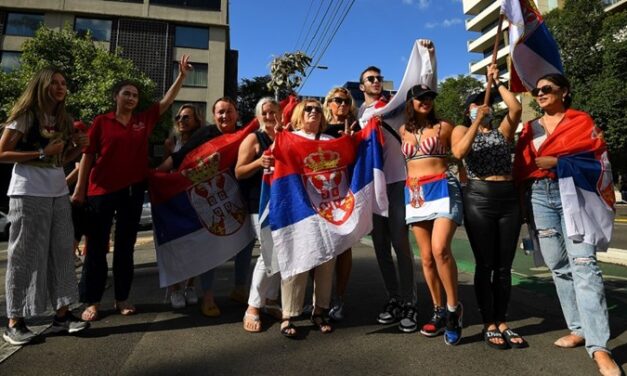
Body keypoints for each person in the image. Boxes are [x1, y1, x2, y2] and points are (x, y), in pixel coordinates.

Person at [513, 74, 621, 376]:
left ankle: (599, 348)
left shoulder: (581, 121)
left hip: (575, 195)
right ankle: (578, 328)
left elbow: (599, 161)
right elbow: (522, 166)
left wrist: (559, 164)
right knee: (558, 264)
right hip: (540, 197)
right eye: (538, 90)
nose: (541, 93)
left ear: (564, 92)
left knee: (585, 265)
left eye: (547, 88)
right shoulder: (530, 127)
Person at [72, 55, 192, 321]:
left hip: (133, 191)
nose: (131, 98)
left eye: (135, 95)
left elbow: (165, 102)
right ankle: (91, 301)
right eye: (126, 94)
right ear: (117, 96)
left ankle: (122, 298)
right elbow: (88, 156)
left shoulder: (143, 120)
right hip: (100, 191)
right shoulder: (101, 122)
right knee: (96, 247)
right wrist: (80, 189)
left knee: (125, 247)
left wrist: (182, 77)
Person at [0, 67, 90, 345]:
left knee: (62, 253)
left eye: (64, 83)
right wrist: (41, 151)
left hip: (57, 191)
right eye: (55, 83)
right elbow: (2, 153)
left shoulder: (63, 119)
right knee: (26, 255)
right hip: (27, 192)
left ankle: (62, 315)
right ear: (42, 86)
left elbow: (58, 162)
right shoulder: (25, 116)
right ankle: (15, 321)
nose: (61, 87)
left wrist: (79, 148)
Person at [158, 97, 254, 318]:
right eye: (220, 112)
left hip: (240, 197)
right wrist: (156, 174)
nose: (224, 116)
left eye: (229, 111)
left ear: (237, 114)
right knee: (210, 245)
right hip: (212, 198)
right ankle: (208, 296)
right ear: (214, 115)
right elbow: (180, 156)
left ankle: (240, 289)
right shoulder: (206, 134)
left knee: (245, 244)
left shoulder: (245, 134)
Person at [451, 63, 525, 349]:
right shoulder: (462, 129)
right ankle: (488, 322)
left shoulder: (502, 132)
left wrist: (496, 83)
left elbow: (516, 110)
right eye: (478, 104)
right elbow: (459, 152)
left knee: (504, 266)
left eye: (487, 105)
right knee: (485, 264)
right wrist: (474, 122)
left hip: (507, 198)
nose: (485, 108)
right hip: (479, 198)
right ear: (469, 109)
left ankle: (502, 319)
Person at [400, 84, 464, 345]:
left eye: (430, 97)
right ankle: (438, 310)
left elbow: (459, 155)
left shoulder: (445, 127)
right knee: (426, 259)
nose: (426, 101)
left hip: (443, 188)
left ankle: (453, 310)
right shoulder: (402, 130)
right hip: (416, 195)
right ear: (410, 102)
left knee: (440, 250)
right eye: (420, 98)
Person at [357, 65, 418, 333]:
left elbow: (420, 87)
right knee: (380, 245)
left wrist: (426, 56)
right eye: (370, 79)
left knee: (400, 243)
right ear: (361, 87)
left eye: (379, 78)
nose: (376, 81)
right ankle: (393, 297)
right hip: (373, 185)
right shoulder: (359, 113)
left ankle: (410, 302)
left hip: (396, 181)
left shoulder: (393, 106)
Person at [279, 99, 336, 337]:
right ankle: (288, 314)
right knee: (297, 261)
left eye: (317, 109)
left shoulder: (331, 142)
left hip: (326, 209)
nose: (313, 112)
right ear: (298, 115)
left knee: (326, 261)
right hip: (298, 209)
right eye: (308, 109)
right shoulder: (288, 139)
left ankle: (320, 310)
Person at [238, 97, 282, 333]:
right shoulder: (254, 138)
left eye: (273, 111)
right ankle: (253, 306)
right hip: (260, 204)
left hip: (285, 202)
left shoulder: (286, 135)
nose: (269, 116)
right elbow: (239, 171)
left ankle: (271, 300)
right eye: (264, 113)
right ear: (258, 116)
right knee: (268, 253)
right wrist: (258, 162)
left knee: (280, 253)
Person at [163, 104, 204, 309]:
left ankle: (190, 285)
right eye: (179, 117)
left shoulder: (202, 142)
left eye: (187, 117)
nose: (182, 120)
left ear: (197, 120)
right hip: (175, 199)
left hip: (195, 198)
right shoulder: (171, 143)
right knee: (174, 246)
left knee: (194, 245)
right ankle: (175, 288)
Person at [322, 87, 358, 322]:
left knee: (344, 248)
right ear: (329, 104)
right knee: (322, 250)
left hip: (346, 195)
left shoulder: (356, 128)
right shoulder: (320, 129)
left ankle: (338, 299)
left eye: (345, 101)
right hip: (321, 195)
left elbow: (362, 159)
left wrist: (351, 141)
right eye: (337, 100)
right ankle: (319, 300)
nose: (342, 104)